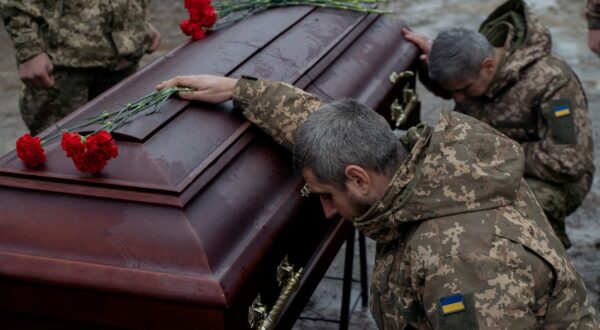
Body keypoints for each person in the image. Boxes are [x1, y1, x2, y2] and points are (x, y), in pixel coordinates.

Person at [156, 74, 598, 329]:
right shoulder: (423, 162)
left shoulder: (461, 261)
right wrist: (240, 90)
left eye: (327, 196)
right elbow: (333, 132)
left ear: (358, 178)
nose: (327, 210)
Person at [401, 0, 594, 249]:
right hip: (490, 162)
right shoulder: (474, 64)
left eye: (465, 89)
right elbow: (457, 83)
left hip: (554, 180)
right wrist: (432, 64)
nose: (458, 99)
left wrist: (491, 153)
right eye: (454, 91)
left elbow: (568, 161)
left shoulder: (554, 83)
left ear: (488, 66)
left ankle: (542, 265)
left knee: (507, 214)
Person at [0, 0, 161, 135]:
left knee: (123, 150)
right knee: (60, 157)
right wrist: (29, 48)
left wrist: (138, 19)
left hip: (123, 61)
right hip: (65, 63)